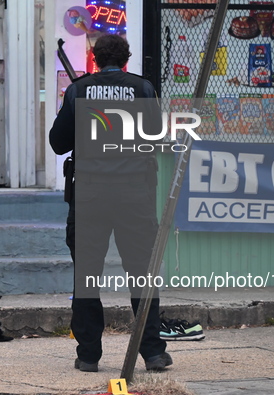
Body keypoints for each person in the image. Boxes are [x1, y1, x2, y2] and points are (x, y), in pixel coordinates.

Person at [49, 34, 171, 373]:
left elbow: (58, 144)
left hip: (91, 196)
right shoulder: (143, 89)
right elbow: (157, 136)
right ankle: (153, 352)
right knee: (142, 274)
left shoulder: (78, 90)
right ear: (127, 59)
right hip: (135, 195)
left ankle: (89, 354)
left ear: (94, 58)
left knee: (87, 275)